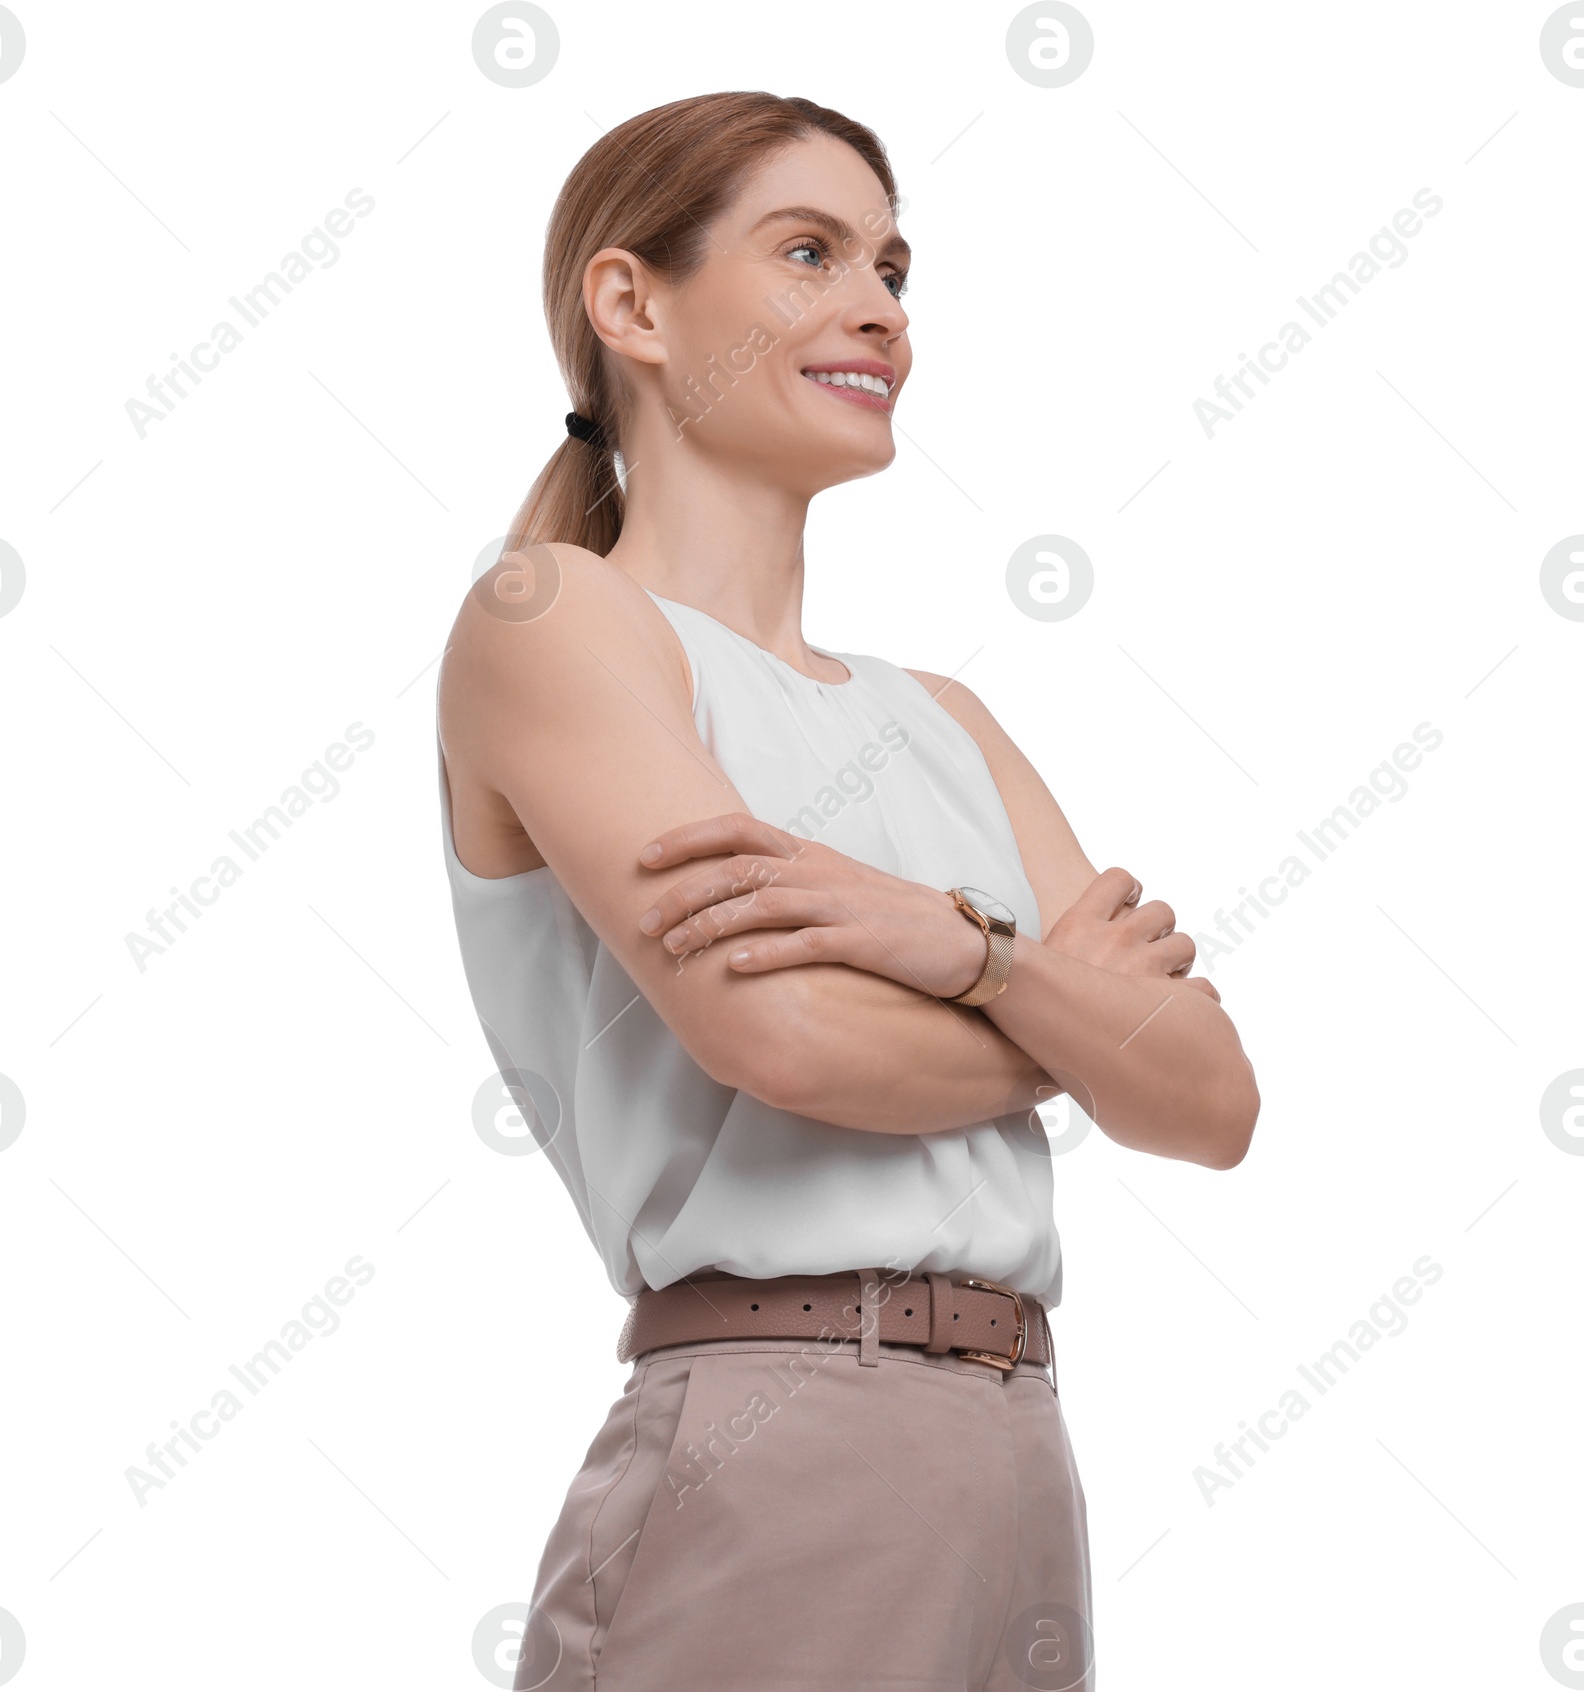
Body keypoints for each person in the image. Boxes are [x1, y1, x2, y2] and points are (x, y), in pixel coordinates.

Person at [436, 90, 1259, 1692]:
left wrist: (949, 949)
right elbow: (791, 1043)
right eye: (808, 252)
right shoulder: (557, 617)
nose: (879, 305)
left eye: (893, 265)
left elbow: (1215, 1101)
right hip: (779, 1432)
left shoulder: (944, 718)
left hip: (1016, 1447)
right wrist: (1055, 1003)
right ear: (633, 305)